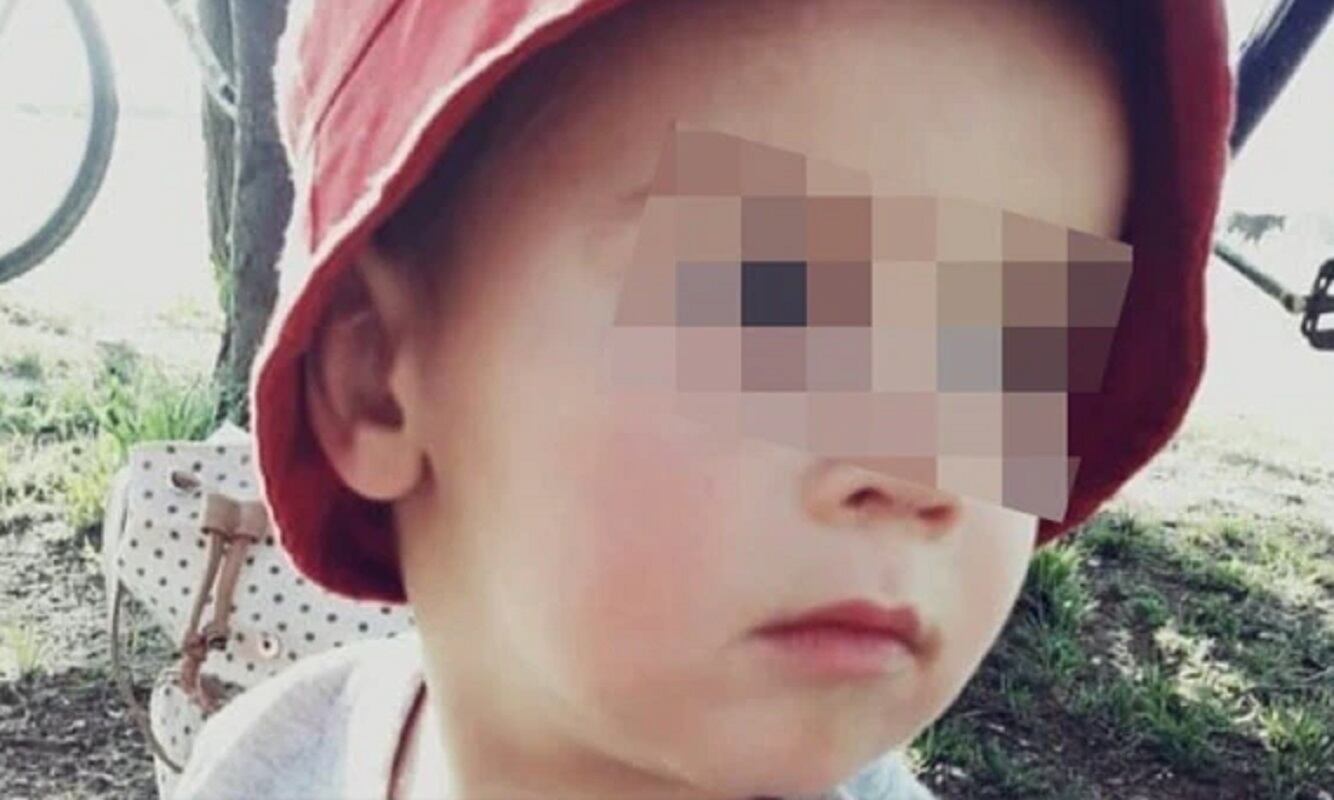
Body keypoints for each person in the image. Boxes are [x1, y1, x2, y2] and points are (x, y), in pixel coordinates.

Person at [172, 0, 1234, 798]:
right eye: (777, 293)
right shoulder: (270, 766)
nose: (924, 466)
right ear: (377, 382)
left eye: (1008, 346)